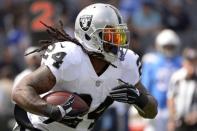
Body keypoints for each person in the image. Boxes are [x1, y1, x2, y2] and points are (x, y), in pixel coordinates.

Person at [12, 3, 158, 131]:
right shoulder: (70, 57)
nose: (117, 44)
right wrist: (52, 111)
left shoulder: (127, 63)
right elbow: (20, 91)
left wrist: (140, 99)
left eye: (119, 36)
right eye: (110, 37)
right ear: (89, 35)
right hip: (38, 127)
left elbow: (152, 112)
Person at [141, 29, 182, 131]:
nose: (169, 49)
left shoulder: (181, 62)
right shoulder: (152, 61)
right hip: (156, 107)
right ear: (159, 45)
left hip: (174, 108)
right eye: (166, 46)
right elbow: (145, 86)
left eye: (171, 46)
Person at [167, 48, 197, 131]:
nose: (191, 64)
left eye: (193, 62)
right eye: (189, 62)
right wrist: (171, 120)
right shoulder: (177, 77)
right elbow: (171, 99)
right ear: (184, 62)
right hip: (179, 121)